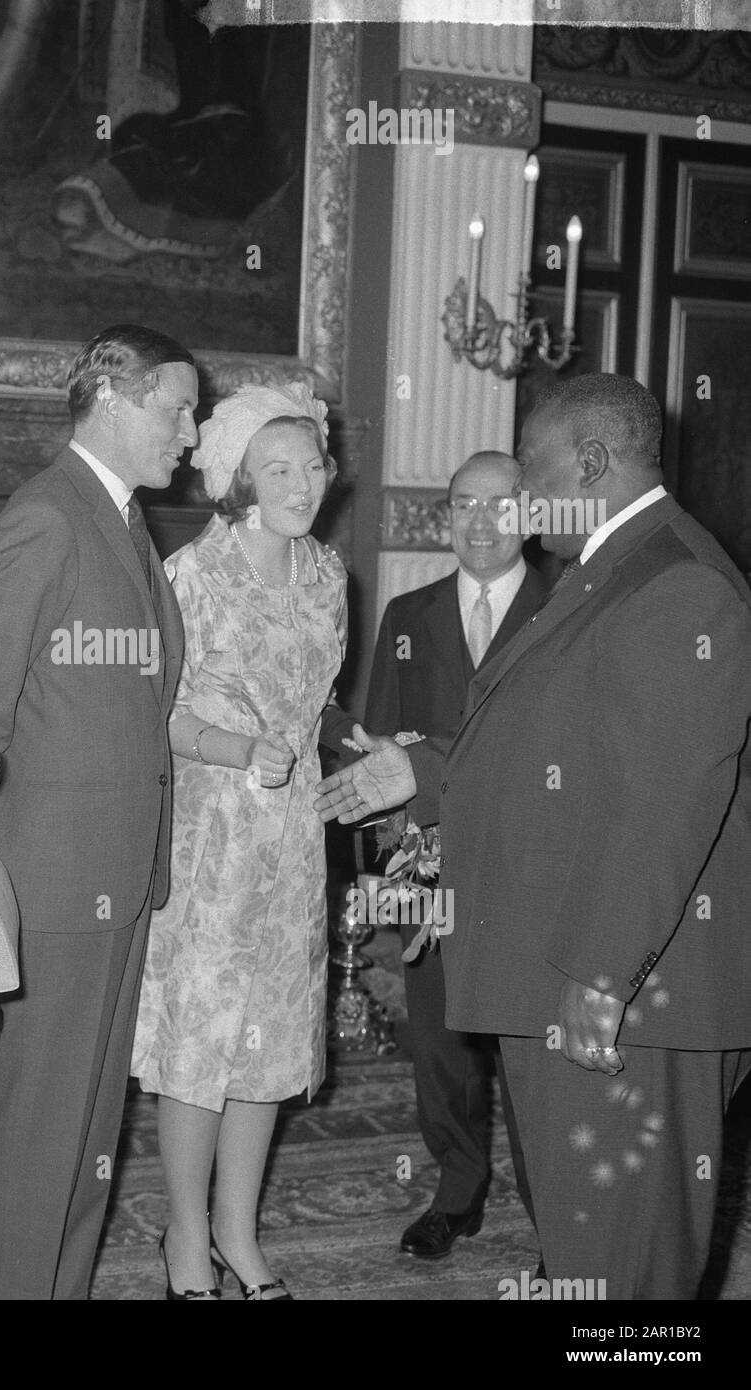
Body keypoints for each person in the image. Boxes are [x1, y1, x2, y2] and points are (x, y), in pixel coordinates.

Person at [317, 373, 751, 1299]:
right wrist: (425, 773)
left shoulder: (674, 582)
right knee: (589, 1253)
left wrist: (599, 974)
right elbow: (555, 740)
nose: (516, 499)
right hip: (571, 969)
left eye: (531, 473)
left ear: (588, 462)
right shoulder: (608, 567)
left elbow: (662, 801)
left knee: (627, 1270)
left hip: (629, 996)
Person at [0, 323, 194, 1299]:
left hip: (117, 869)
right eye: (179, 406)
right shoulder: (47, 517)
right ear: (115, 399)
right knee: (42, 1124)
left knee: (93, 1124)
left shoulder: (127, 518)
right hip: (56, 879)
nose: (193, 428)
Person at [130, 382, 344, 1300]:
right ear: (238, 482)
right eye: (277, 470)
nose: (300, 486)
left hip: (293, 840)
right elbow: (157, 714)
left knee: (268, 1049)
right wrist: (238, 747)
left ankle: (236, 1233)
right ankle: (184, 1239)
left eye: (312, 467)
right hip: (210, 838)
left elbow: (316, 705)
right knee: (199, 1046)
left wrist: (350, 743)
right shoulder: (190, 577)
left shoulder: (332, 576)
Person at [363, 452, 545, 1261]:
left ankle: (563, 1222)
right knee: (441, 1040)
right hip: (427, 871)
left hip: (532, 872)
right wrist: (391, 866)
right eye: (462, 505)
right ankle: (457, 1189)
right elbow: (376, 744)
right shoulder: (408, 614)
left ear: (531, 516)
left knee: (536, 1051)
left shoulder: (567, 608)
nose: (479, 524)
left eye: (498, 506)